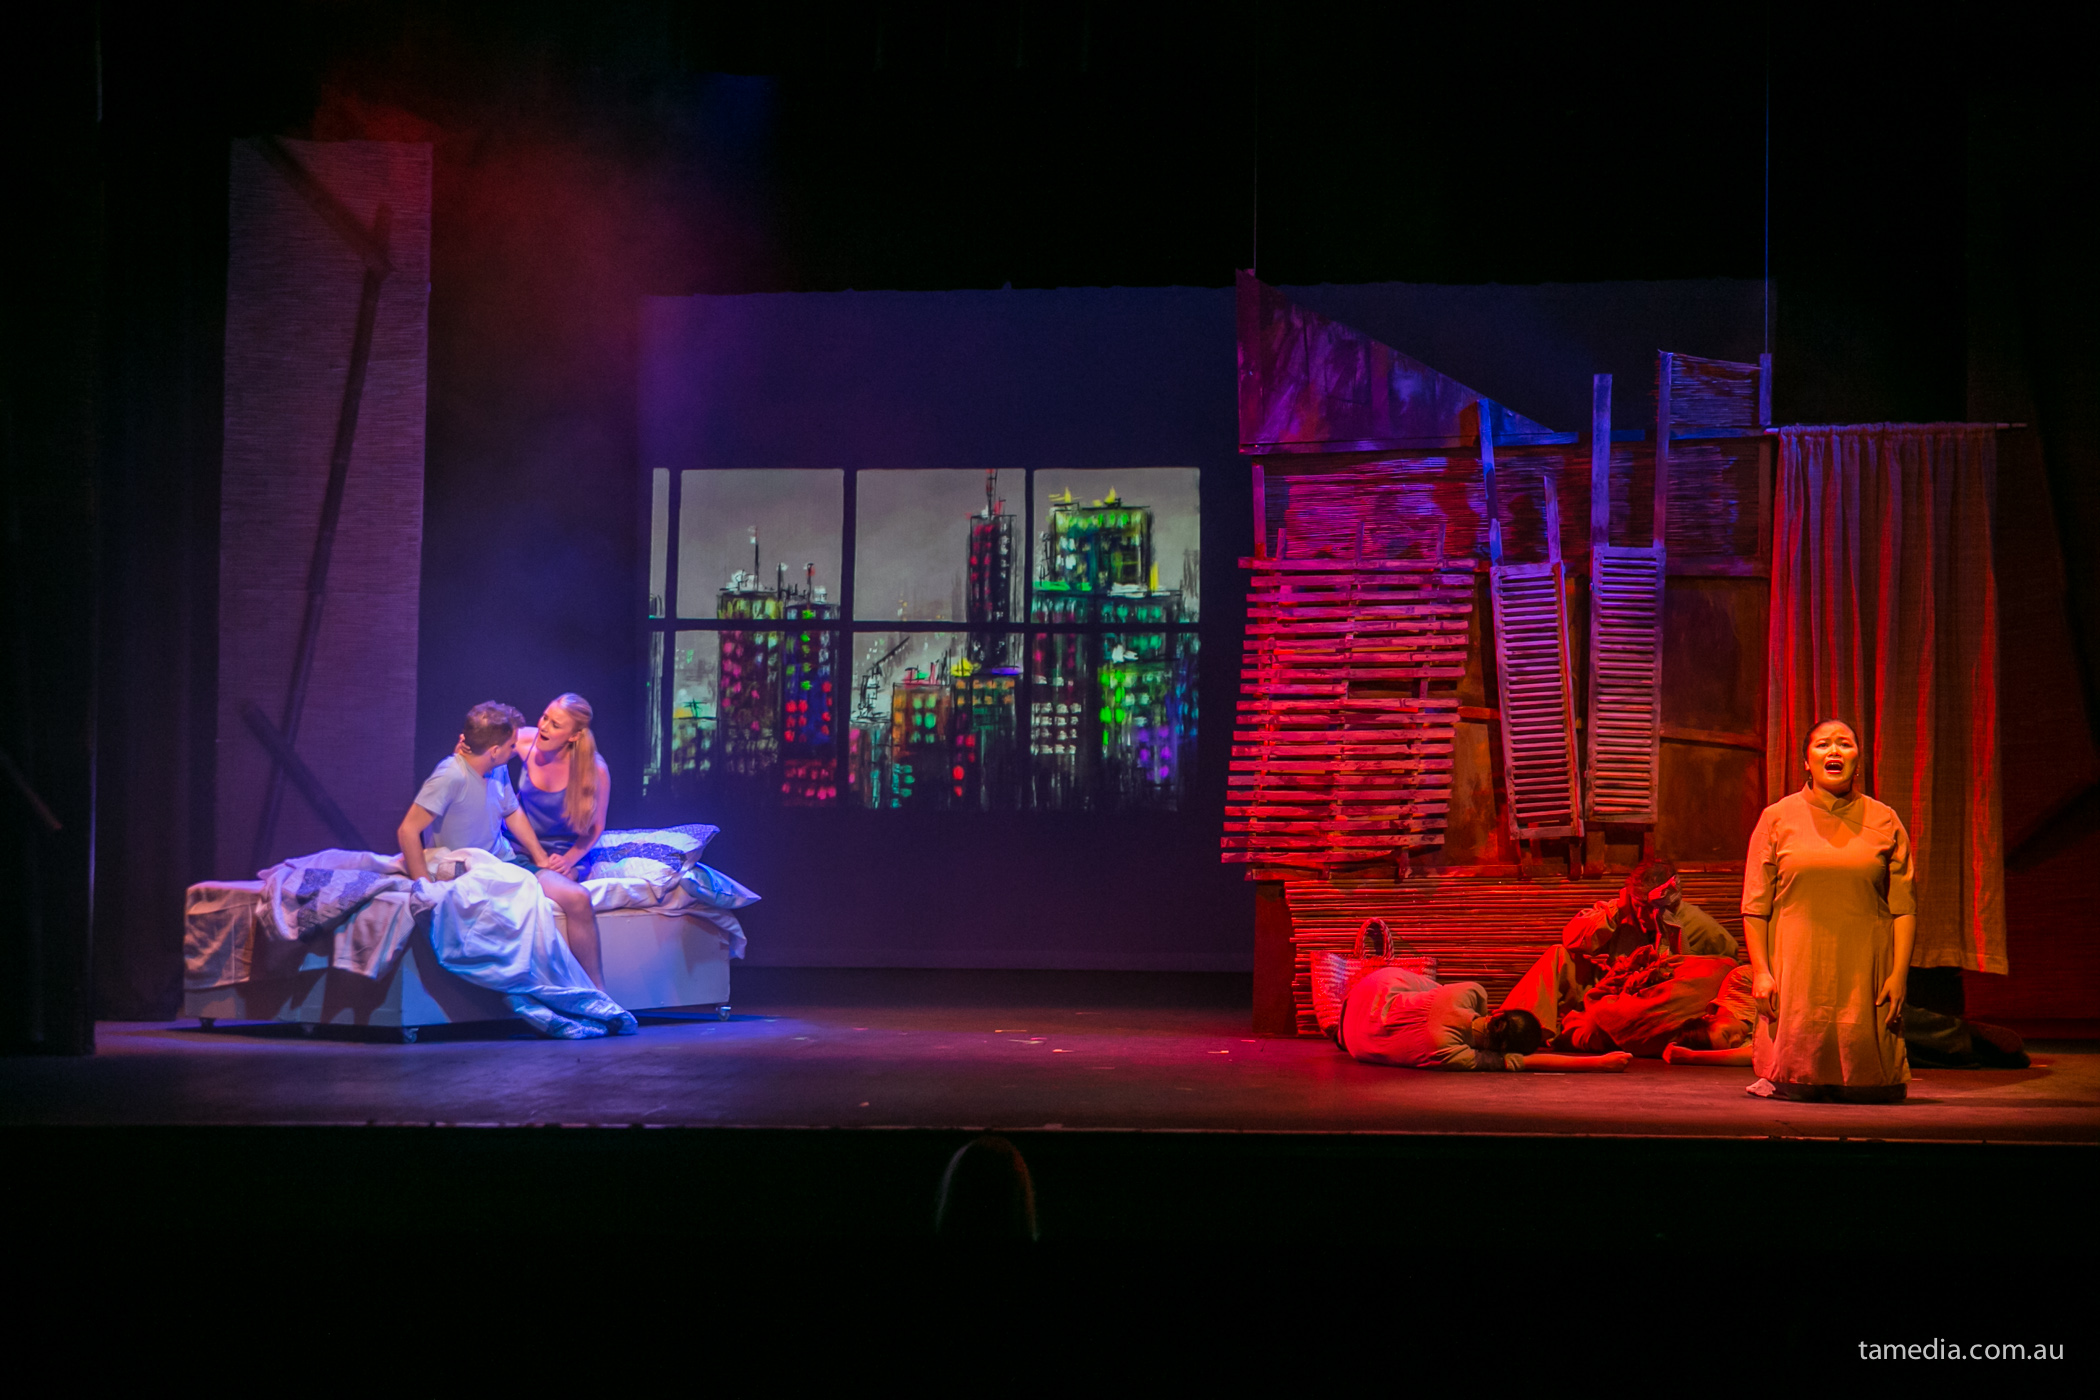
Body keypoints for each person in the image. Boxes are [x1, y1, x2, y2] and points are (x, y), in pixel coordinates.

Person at [1740, 718, 1913, 1102]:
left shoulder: (1884, 819)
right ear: (1807, 761)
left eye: (1844, 743)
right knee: (1797, 1082)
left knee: (1869, 1088)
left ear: (1857, 759)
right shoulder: (1777, 818)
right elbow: (1755, 906)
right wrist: (1762, 971)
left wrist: (1899, 975)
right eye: (1822, 744)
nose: (1834, 750)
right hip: (1796, 968)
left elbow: (1904, 908)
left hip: (1864, 968)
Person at [1499, 858, 1735, 1040]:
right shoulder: (1620, 911)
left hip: (1654, 1005)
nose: (1645, 914)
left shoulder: (1699, 926)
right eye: (1640, 905)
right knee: (1558, 955)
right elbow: (1572, 939)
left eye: (1653, 908)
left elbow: (1730, 969)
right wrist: (1617, 913)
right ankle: (1513, 1030)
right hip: (1611, 992)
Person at [1338, 965, 1632, 1073]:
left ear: (1498, 1014)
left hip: (1367, 992)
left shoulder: (1469, 992)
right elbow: (1531, 1063)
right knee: (1433, 1001)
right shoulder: (1454, 1056)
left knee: (1433, 994)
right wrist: (1599, 1063)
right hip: (1355, 1043)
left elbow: (1477, 1009)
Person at [513, 692, 613, 990]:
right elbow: (483, 750)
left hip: (564, 853)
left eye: (555, 725)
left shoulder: (594, 769)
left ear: (574, 735)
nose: (544, 726)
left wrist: (568, 860)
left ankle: (597, 992)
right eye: (545, 717)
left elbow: (595, 828)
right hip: (522, 849)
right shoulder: (523, 740)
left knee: (577, 898)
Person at [396, 701, 552, 882]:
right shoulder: (451, 775)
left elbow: (511, 811)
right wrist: (423, 885)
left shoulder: (499, 768)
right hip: (464, 871)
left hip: (502, 861)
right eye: (511, 745)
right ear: (494, 751)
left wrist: (540, 857)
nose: (514, 750)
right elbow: (407, 830)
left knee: (567, 891)